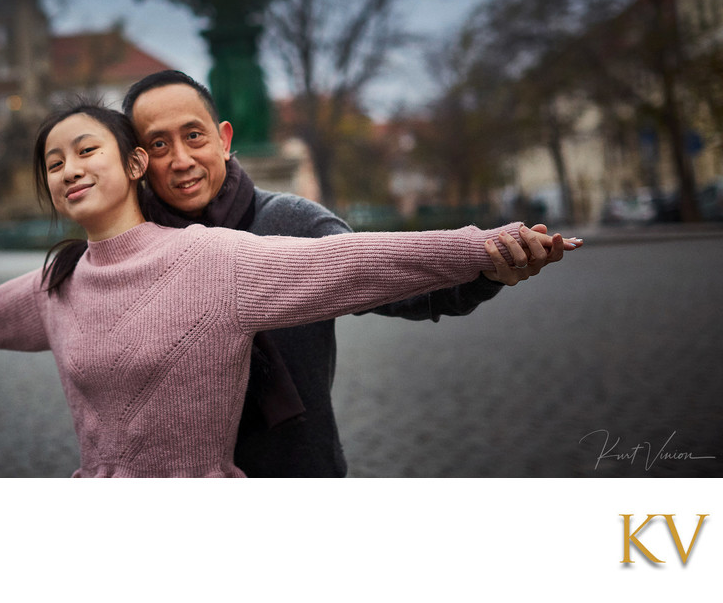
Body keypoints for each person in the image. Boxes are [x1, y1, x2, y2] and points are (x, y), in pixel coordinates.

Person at [0, 101, 581, 478]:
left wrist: (483, 248)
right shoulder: (60, 279)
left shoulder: (214, 257)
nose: (67, 168)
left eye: (86, 150)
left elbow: (354, 263)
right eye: (53, 162)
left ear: (131, 164)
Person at [122, 70, 574, 477]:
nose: (180, 159)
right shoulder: (128, 253)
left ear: (223, 138)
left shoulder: (295, 222)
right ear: (137, 161)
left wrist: (488, 267)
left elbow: (402, 287)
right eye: (159, 144)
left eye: (194, 136)